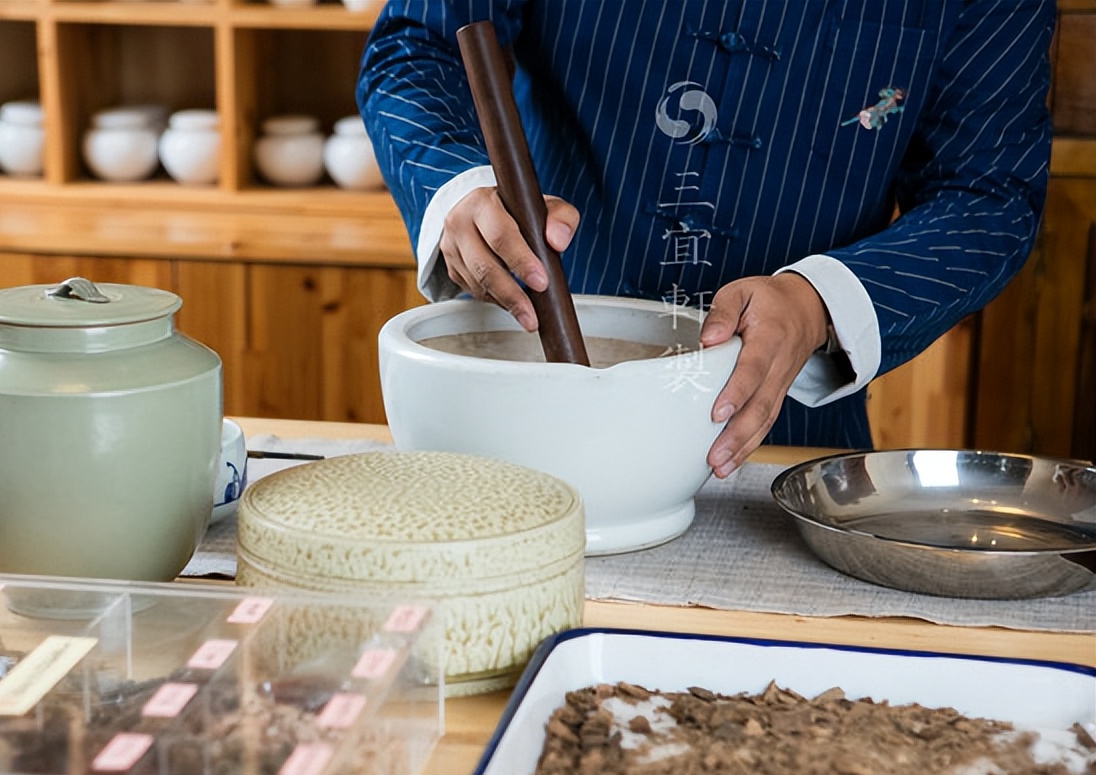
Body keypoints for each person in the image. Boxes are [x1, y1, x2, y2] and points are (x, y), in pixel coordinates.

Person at [356, 0, 1054, 477]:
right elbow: (416, 43)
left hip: (780, 440)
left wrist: (819, 302)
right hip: (533, 398)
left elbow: (988, 196)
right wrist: (456, 185)